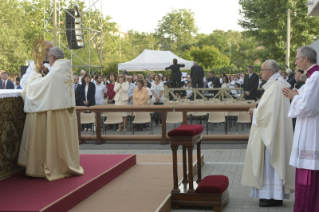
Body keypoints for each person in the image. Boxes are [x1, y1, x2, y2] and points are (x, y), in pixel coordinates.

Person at [18, 47, 83, 181]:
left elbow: (36, 87)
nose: (47, 59)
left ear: (52, 58)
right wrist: (46, 72)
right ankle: (66, 163)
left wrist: (35, 72)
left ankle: (54, 166)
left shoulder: (56, 72)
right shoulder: (65, 69)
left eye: (48, 57)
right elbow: (52, 84)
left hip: (55, 114)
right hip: (65, 113)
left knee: (54, 139)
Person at [241, 59, 295, 207]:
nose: (261, 73)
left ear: (270, 72)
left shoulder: (277, 86)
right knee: (269, 162)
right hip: (272, 129)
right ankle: (269, 195)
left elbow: (269, 111)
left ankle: (275, 197)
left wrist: (255, 111)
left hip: (273, 132)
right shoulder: (276, 84)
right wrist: (257, 111)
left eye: (262, 70)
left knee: (272, 161)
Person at [282, 46, 319, 212]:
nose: (295, 61)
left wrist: (293, 97)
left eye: (297, 58)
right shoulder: (311, 77)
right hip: (307, 129)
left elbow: (309, 106)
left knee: (311, 175)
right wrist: (295, 94)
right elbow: (305, 99)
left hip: (312, 132)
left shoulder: (316, 76)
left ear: (306, 59)